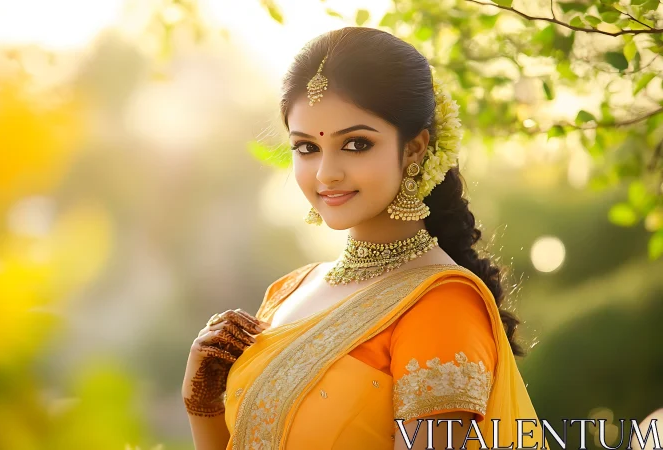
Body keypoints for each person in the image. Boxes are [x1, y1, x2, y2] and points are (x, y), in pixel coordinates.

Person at [182, 27, 546, 450]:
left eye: (356, 144)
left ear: (414, 149)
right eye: (306, 148)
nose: (326, 173)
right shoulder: (287, 291)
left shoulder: (441, 305)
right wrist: (202, 406)